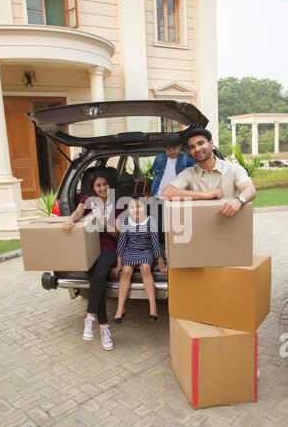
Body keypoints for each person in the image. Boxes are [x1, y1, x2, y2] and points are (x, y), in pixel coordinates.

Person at [62, 171, 123, 351]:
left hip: (108, 247)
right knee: (98, 280)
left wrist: (101, 220)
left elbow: (116, 233)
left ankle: (89, 318)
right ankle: (104, 328)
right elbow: (77, 212)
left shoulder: (116, 203)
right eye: (98, 185)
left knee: (98, 276)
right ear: (93, 188)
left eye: (105, 184)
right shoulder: (87, 201)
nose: (103, 188)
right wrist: (70, 221)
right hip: (88, 247)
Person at [162, 128, 257, 215]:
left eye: (200, 143)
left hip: (229, 225)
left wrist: (239, 201)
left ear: (211, 143)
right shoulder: (188, 173)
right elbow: (167, 192)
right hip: (201, 227)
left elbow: (250, 189)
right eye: (192, 147)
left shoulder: (233, 169)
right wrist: (205, 194)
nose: (197, 149)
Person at [112, 194, 166, 323]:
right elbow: (121, 243)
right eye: (132, 207)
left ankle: (153, 307)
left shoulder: (150, 221)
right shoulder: (126, 222)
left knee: (146, 268)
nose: (136, 210)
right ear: (128, 210)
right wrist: (119, 263)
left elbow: (155, 243)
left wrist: (160, 261)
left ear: (145, 207)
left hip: (146, 250)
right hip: (130, 251)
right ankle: (120, 308)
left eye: (139, 206)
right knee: (126, 271)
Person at [150, 132, 196, 199]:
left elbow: (198, 170)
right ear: (164, 148)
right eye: (168, 149)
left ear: (180, 146)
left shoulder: (186, 160)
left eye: (174, 148)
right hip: (157, 197)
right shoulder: (158, 158)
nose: (171, 152)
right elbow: (154, 174)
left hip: (176, 198)